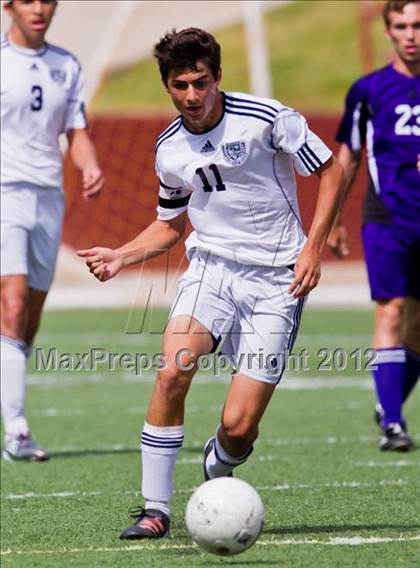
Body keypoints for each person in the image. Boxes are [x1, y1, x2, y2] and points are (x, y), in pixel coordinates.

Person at [78, 27, 344, 540]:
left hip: (275, 282)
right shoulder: (168, 149)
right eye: (180, 85)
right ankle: (154, 509)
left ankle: (218, 469)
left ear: (218, 77)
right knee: (172, 371)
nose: (192, 96)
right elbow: (171, 226)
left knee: (240, 427)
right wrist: (122, 256)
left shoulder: (268, 119)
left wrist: (312, 247)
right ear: (168, 86)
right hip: (211, 271)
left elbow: (331, 172)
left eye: (201, 82)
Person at [1, 0, 104, 461]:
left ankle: (10, 398)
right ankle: (17, 430)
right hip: (4, 193)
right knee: (13, 301)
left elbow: (76, 132)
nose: (39, 8)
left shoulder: (67, 66)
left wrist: (89, 165)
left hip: (48, 197)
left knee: (29, 319)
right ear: (9, 6)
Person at [329, 0, 420, 451]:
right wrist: (332, 220)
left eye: (418, 25)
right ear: (388, 31)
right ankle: (395, 425)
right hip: (387, 218)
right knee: (391, 311)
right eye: (402, 26)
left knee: (417, 329)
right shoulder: (368, 90)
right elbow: (345, 158)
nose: (411, 35)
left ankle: (389, 404)